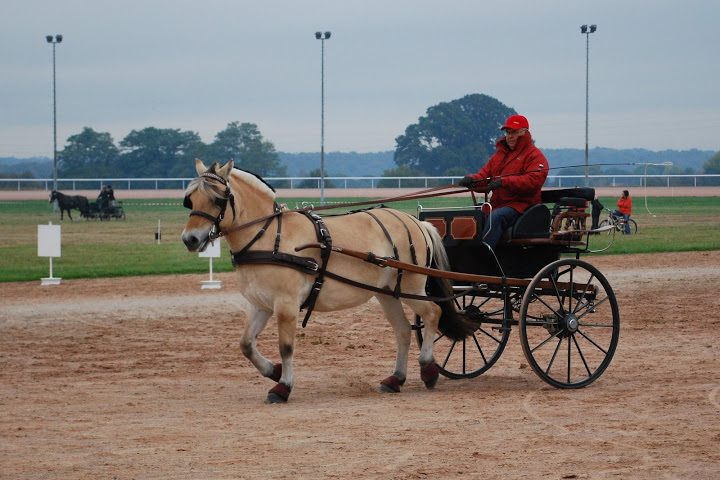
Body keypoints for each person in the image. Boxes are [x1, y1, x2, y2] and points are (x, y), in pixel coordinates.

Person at [459, 114, 549, 249]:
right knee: (473, 216)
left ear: (524, 132)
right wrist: (472, 180)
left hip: (521, 206)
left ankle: (485, 255)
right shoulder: (498, 156)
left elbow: (533, 181)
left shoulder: (535, 155)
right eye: (508, 132)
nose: (510, 136)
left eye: (514, 132)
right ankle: (464, 252)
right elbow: (484, 176)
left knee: (496, 217)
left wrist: (505, 182)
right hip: (499, 204)